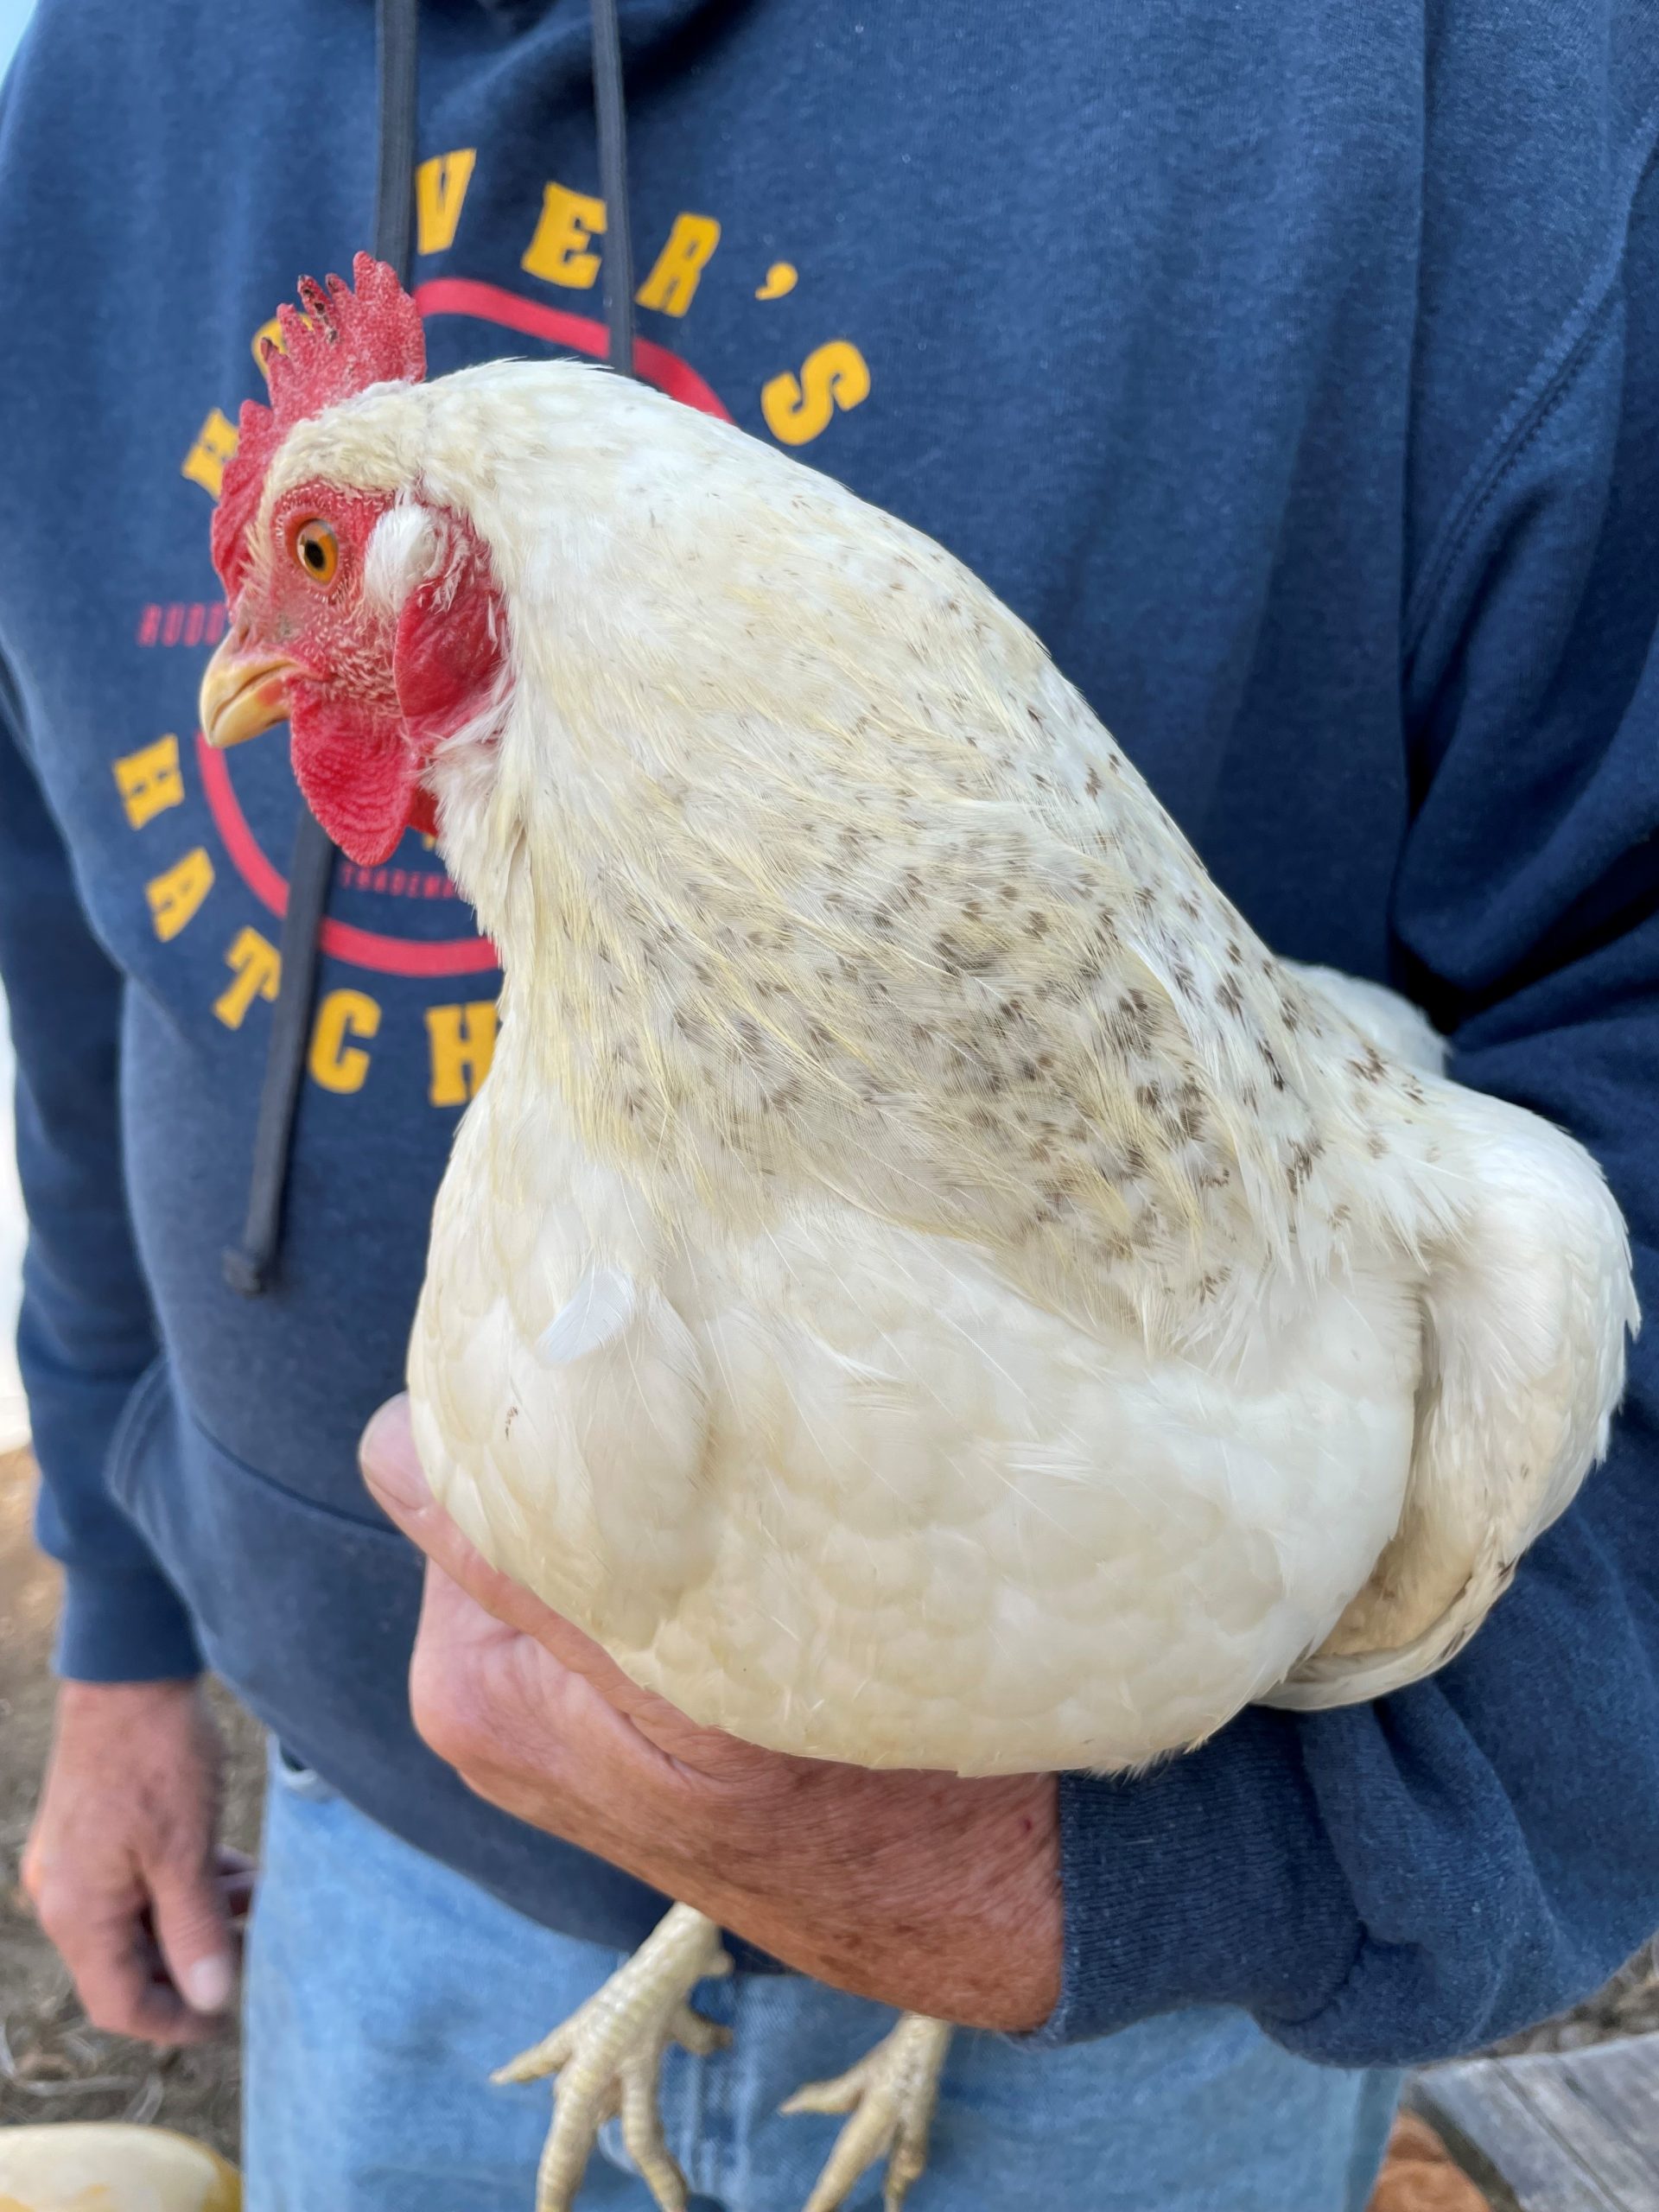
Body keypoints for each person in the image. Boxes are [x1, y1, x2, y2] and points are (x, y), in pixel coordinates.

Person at [3, 2, 1658, 2206]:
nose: (253, 637)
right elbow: (63, 912)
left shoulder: (1489, 66)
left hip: (1158, 1999)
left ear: (461, 586)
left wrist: (1235, 1886)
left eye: (310, 574)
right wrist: (117, 1625)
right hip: (382, 1844)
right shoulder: (109, 70)